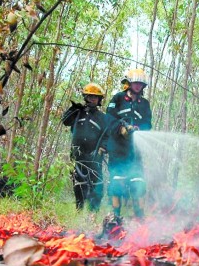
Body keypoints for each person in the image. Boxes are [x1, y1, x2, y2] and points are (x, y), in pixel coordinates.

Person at [105, 68, 152, 221]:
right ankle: (115, 218)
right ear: (129, 83)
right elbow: (109, 120)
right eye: (135, 82)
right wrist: (121, 129)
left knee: (138, 184)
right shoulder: (117, 99)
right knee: (116, 184)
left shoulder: (144, 104)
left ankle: (140, 218)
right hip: (117, 151)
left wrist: (138, 129)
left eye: (140, 83)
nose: (138, 86)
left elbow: (147, 124)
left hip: (135, 153)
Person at [61, 83, 109, 214]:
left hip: (95, 156)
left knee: (97, 186)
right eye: (90, 96)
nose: (93, 99)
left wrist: (102, 149)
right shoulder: (78, 112)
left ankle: (93, 213)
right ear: (85, 97)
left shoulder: (103, 118)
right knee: (79, 184)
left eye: (96, 97)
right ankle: (79, 211)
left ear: (99, 100)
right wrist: (73, 109)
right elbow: (65, 121)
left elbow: (107, 137)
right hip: (78, 154)